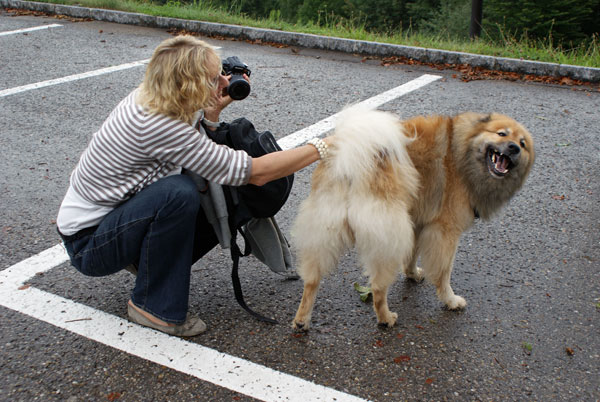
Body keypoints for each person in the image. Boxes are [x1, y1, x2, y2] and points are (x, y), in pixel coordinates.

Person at [56, 35, 331, 337]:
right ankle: (153, 307)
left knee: (202, 191)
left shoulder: (157, 96)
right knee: (179, 194)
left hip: (114, 221)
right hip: (90, 242)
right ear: (188, 85)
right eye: (215, 78)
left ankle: (149, 267)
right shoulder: (157, 124)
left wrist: (211, 112)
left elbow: (194, 148)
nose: (223, 82)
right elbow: (255, 173)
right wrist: (324, 146)